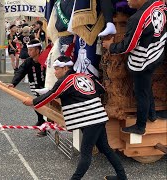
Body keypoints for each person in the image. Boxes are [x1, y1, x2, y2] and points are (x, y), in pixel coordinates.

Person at [23, 56, 127, 180]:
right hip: (97, 116)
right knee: (105, 148)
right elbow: (101, 89)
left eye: (57, 69)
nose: (54, 72)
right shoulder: (86, 76)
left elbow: (54, 94)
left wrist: (33, 102)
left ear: (66, 68)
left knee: (86, 154)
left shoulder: (66, 81)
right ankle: (122, 177)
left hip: (90, 120)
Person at [103, 0, 167, 135]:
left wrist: (110, 46)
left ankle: (140, 126)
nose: (127, 0)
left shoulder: (137, 19)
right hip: (156, 54)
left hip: (143, 61)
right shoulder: (159, 5)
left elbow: (128, 46)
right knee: (146, 86)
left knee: (141, 93)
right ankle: (152, 114)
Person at [8, 39, 47, 136]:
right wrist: (13, 83)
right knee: (36, 105)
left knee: (45, 107)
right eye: (28, 50)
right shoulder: (28, 62)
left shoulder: (46, 59)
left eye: (31, 50)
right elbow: (20, 72)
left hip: (46, 87)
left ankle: (45, 127)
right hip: (34, 86)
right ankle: (40, 120)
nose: (28, 52)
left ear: (37, 50)